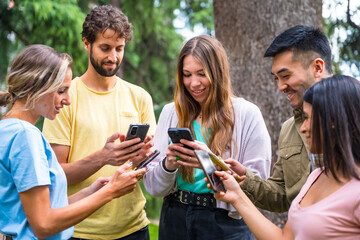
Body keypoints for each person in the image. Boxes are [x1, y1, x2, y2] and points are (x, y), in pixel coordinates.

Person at [0, 44, 146, 240]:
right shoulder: (25, 136)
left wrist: (90, 192)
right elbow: (44, 224)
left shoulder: (7, 128)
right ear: (31, 86)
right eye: (61, 91)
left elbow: (35, 210)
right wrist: (111, 192)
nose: (68, 100)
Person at [42, 5, 156, 240]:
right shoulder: (64, 96)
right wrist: (103, 157)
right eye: (105, 48)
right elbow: (54, 176)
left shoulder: (140, 97)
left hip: (134, 229)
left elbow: (149, 168)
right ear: (86, 43)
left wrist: (141, 159)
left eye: (119, 48)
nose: (113, 57)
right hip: (79, 230)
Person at [143, 35, 271, 240]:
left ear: (218, 73)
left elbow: (258, 189)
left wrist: (211, 163)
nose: (193, 83)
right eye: (186, 75)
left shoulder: (247, 114)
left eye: (201, 74)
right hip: (174, 218)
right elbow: (154, 188)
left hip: (225, 224)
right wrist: (168, 164)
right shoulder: (170, 112)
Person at [212, 75, 360, 239]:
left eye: (308, 118)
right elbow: (284, 238)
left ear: (334, 122)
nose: (302, 128)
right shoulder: (316, 177)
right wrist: (237, 196)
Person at [228, 25, 333, 212]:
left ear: (318, 67)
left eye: (285, 76)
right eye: (276, 78)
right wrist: (243, 179)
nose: (281, 87)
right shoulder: (289, 128)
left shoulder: (353, 116)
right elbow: (282, 195)